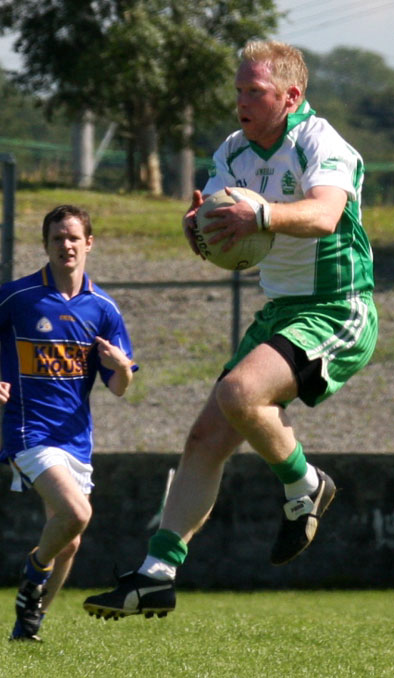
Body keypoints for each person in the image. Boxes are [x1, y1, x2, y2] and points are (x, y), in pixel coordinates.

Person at [83, 40, 378, 620]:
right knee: (205, 439)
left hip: (339, 306)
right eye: (238, 90)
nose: (241, 100)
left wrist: (258, 214)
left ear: (291, 96)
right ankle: (156, 575)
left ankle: (304, 483)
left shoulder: (321, 142)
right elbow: (226, 242)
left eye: (255, 91)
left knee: (239, 393)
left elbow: (323, 214)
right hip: (281, 312)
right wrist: (201, 231)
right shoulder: (233, 153)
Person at [0, 204, 137, 640]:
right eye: (57, 238)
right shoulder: (20, 297)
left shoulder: (104, 309)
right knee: (77, 513)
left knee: (69, 539)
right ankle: (33, 572)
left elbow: (118, 387)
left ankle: (28, 625)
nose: (66, 245)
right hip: (28, 431)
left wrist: (122, 366)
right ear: (46, 245)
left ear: (89, 243)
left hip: (76, 437)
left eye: (74, 237)